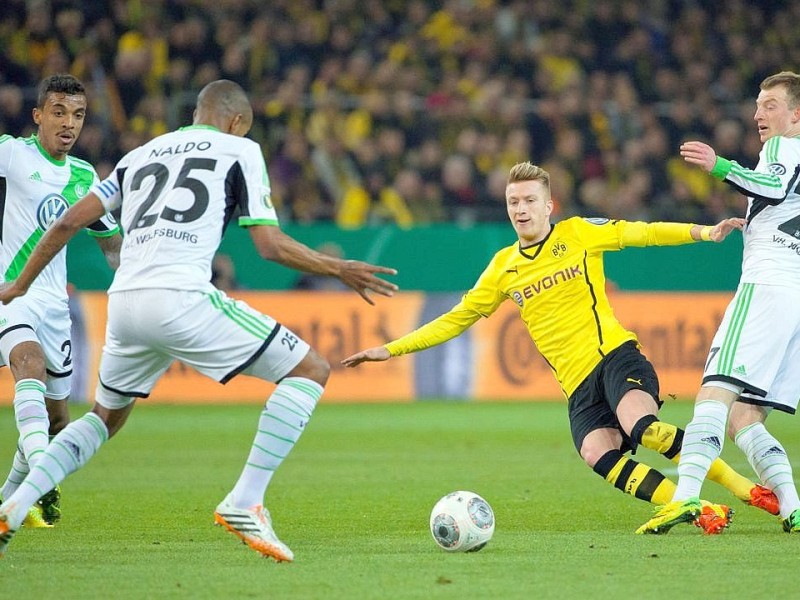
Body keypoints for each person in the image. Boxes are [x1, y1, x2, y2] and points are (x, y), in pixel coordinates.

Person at [0, 79, 398, 561]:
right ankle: (246, 500)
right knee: (311, 369)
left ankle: (15, 505)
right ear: (236, 121)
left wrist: (19, 284)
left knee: (104, 418)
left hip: (123, 301)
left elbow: (66, 223)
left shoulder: (140, 155)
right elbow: (268, 246)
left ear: (195, 111)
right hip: (181, 296)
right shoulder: (240, 148)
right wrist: (339, 267)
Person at [342, 161, 779, 533]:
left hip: (615, 357)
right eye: (513, 202)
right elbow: (457, 318)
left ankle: (744, 487)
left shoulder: (578, 233)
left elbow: (640, 233)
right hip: (577, 386)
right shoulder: (503, 267)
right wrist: (392, 349)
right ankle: (696, 509)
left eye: (529, 200)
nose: (520, 209)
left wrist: (704, 232)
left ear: (548, 205)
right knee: (597, 453)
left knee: (641, 427)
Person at [638, 71, 800, 535]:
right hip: (794, 299)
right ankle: (791, 504)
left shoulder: (784, 147)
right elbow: (783, 206)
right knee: (745, 416)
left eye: (769, 105)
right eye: (756, 104)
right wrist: (758, 227)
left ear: (796, 114)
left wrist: (719, 165)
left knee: (714, 392)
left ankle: (685, 497)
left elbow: (770, 186)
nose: (757, 115)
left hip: (766, 287)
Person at [0, 74, 122, 528]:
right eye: (58, 112)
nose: (68, 124)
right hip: (11, 293)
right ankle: (44, 480)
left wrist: (135, 278)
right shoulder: (12, 154)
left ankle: (11, 495)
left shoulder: (86, 176)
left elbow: (111, 246)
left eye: (77, 115)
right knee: (27, 364)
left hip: (55, 306)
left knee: (56, 419)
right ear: (38, 116)